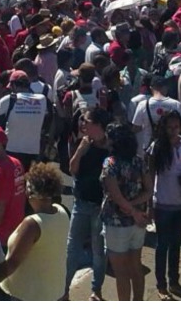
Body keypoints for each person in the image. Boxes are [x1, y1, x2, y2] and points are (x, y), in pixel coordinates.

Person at [0, 161, 69, 300]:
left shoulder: (32, 225)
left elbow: (11, 264)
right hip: (54, 293)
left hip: (26, 295)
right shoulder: (62, 212)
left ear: (30, 193)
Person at [100, 122, 154, 301]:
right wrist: (136, 209)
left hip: (117, 223)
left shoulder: (110, 163)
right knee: (136, 266)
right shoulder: (139, 161)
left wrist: (130, 209)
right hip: (137, 224)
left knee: (121, 272)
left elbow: (115, 196)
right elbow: (148, 191)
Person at [148, 109, 181, 300]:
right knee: (162, 245)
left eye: (176, 127)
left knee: (176, 244)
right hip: (162, 204)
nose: (173, 131)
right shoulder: (157, 147)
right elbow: (151, 175)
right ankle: (161, 285)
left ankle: (174, 281)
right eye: (169, 128)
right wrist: (149, 205)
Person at [65, 107, 111, 301]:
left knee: (98, 250)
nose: (82, 124)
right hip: (81, 203)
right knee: (72, 248)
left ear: (98, 125)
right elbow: (73, 170)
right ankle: (64, 289)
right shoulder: (82, 144)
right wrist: (80, 151)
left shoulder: (110, 146)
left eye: (87, 121)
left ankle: (96, 289)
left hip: (101, 206)